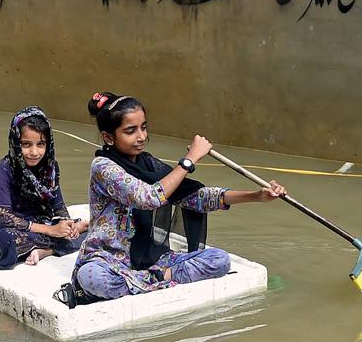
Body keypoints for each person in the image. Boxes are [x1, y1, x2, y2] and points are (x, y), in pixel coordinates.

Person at [72, 92, 286, 300]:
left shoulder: (148, 164)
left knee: (219, 260)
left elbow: (196, 197)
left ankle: (148, 280)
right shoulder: (103, 167)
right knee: (92, 278)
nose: (142, 137)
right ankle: (159, 280)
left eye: (143, 128)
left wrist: (257, 195)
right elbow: (148, 198)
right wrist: (189, 160)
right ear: (108, 137)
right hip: (108, 260)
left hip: (152, 260)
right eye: (131, 131)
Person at [0, 106, 88, 269]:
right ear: (15, 142)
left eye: (40, 144)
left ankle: (45, 251)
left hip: (44, 222)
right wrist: (51, 231)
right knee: (6, 240)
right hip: (17, 229)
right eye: (26, 144)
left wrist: (67, 224)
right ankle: (56, 243)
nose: (34, 152)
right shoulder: (3, 171)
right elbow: (5, 218)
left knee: (97, 232)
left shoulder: (50, 168)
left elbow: (59, 206)